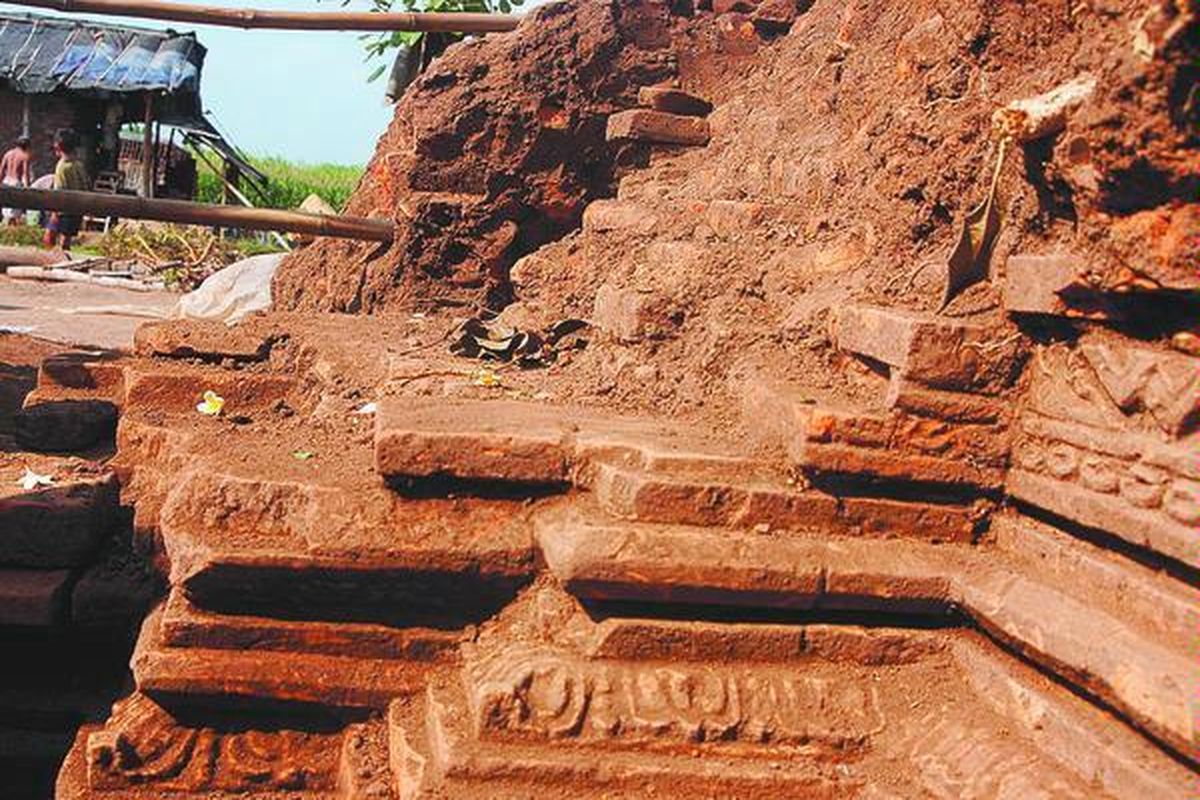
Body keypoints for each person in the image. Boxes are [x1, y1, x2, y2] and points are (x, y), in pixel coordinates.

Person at [44, 129, 89, 250]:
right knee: (64, 241)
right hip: (76, 209)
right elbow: (85, 187)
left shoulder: (62, 166)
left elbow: (60, 192)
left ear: (58, 146)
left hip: (63, 210)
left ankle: (55, 262)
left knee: (54, 239)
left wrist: (55, 212)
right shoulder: (79, 165)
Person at [1, 135, 32, 226]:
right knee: (14, 215)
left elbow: (1, 171)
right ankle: (12, 233)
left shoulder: (8, 153)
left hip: (6, 182)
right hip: (16, 183)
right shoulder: (25, 156)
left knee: (6, 212)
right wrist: (28, 189)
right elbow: (25, 174)